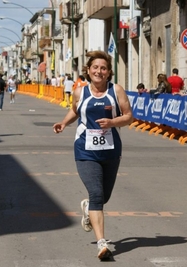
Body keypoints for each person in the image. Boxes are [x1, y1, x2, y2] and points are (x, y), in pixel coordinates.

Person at [53, 50, 133, 260]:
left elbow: (129, 116)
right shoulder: (80, 92)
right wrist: (63, 123)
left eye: (103, 68)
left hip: (111, 150)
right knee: (97, 194)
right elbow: (75, 110)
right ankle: (102, 244)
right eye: (95, 67)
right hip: (85, 150)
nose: (99, 71)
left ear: (108, 72)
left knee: (103, 197)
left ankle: (89, 207)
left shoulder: (116, 91)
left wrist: (113, 122)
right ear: (88, 71)